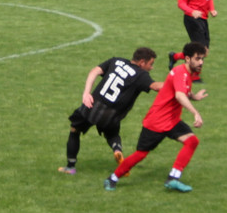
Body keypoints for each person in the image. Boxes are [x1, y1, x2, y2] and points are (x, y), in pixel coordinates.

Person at [104, 42, 208, 193]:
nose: (201, 62)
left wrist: (193, 96)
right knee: (141, 154)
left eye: (202, 59)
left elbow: (182, 91)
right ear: (187, 58)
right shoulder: (180, 73)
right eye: (197, 59)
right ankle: (112, 178)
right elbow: (179, 95)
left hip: (171, 120)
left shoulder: (186, 73)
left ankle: (173, 178)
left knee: (192, 141)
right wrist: (195, 112)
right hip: (157, 122)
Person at [59, 47, 162, 175]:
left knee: (75, 130)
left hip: (93, 106)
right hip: (111, 115)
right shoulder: (141, 75)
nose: (151, 67)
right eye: (151, 64)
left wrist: (86, 93)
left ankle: (70, 167)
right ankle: (117, 150)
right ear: (142, 62)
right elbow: (156, 87)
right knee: (112, 134)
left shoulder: (116, 61)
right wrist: (175, 83)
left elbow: (94, 71)